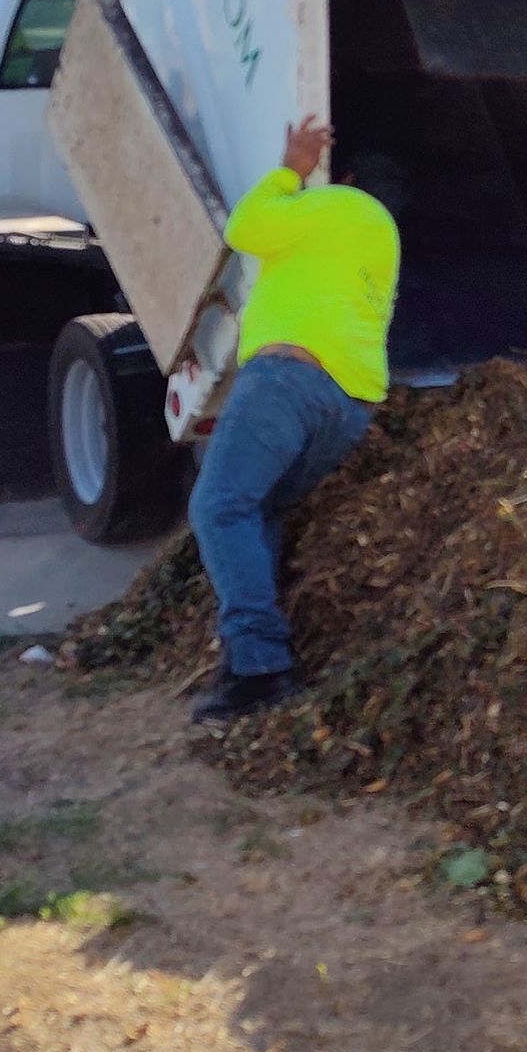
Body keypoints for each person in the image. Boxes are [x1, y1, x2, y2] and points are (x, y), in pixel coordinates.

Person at [186, 114, 400, 722]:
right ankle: (250, 658)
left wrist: (292, 170)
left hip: (289, 381)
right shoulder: (381, 238)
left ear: (349, 179)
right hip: (349, 403)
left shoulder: (340, 205)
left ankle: (260, 668)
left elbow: (244, 227)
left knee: (217, 506)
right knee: (257, 510)